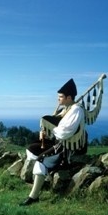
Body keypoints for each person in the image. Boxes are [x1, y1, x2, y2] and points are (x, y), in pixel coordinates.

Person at [20, 78, 88, 206]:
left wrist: (50, 128)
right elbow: (56, 122)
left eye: (61, 97)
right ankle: (42, 178)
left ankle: (33, 196)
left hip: (68, 147)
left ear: (69, 97)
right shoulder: (67, 108)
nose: (58, 99)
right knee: (31, 148)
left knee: (41, 159)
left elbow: (65, 132)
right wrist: (44, 131)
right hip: (60, 142)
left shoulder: (76, 110)